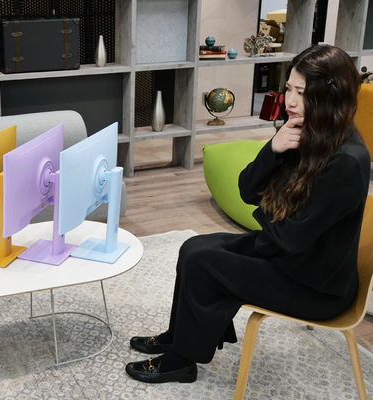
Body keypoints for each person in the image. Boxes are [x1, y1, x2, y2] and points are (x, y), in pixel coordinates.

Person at [125, 44, 371, 384]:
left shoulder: (346, 161)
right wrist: (272, 149)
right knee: (193, 247)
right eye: (289, 88)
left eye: (302, 92)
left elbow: (291, 236)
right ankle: (178, 336)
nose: (291, 101)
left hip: (315, 288)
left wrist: (266, 202)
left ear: (331, 95)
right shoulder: (303, 132)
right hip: (288, 259)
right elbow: (247, 190)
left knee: (204, 264)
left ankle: (181, 361)